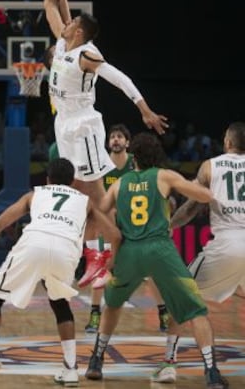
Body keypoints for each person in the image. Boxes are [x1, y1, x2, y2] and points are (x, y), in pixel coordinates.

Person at [0, 157, 121, 387]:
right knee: (60, 304)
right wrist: (104, 266)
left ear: (48, 179)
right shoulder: (85, 201)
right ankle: (71, 369)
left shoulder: (34, 194)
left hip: (34, 242)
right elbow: (114, 234)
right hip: (67, 251)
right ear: (72, 182)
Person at [84, 132, 228, 389]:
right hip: (161, 251)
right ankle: (212, 372)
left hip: (129, 253)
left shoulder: (120, 183)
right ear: (156, 155)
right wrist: (200, 185)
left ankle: (96, 360)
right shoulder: (164, 175)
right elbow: (204, 196)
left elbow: (100, 211)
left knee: (112, 306)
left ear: (134, 158)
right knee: (196, 311)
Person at [42, 0, 168, 243]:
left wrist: (144, 110)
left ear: (80, 32)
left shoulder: (87, 55)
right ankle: (86, 247)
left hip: (83, 124)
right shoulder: (63, 43)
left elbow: (120, 78)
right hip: (63, 123)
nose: (68, 21)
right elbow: (49, 4)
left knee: (94, 190)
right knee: (72, 186)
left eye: (73, 23)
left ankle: (109, 249)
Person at [153, 121, 245, 383]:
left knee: (181, 297)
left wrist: (169, 226)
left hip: (226, 244)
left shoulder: (211, 165)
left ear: (228, 142)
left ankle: (169, 363)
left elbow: (192, 207)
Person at [83, 123, 169, 334]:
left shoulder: (137, 163)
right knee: (99, 268)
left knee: (151, 271)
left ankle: (163, 312)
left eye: (120, 136)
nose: (115, 139)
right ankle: (95, 314)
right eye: (112, 136)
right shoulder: (101, 166)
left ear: (128, 143)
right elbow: (97, 200)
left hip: (135, 226)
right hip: (109, 225)